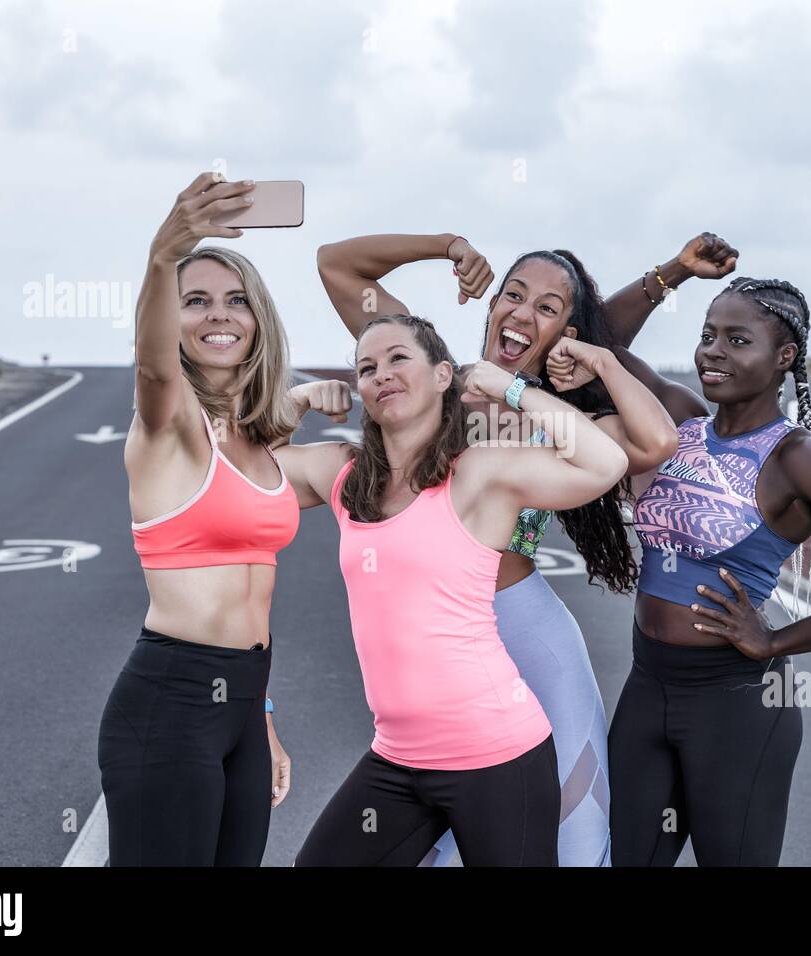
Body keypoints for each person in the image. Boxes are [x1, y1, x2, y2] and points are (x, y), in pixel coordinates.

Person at [314, 234, 679, 865]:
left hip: (525, 625)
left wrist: (601, 362)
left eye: (548, 308)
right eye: (513, 295)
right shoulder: (426, 380)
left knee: (574, 806)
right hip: (435, 637)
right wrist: (445, 247)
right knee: (427, 809)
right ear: (489, 306)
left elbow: (655, 442)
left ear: (566, 331)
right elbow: (336, 265)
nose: (522, 313)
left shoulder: (557, 419)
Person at [605, 271, 811, 866]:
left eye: (737, 340)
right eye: (707, 335)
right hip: (646, 688)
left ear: (785, 357)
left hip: (735, 706)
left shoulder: (799, 460)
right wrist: (671, 271)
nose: (713, 352)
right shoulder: (677, 421)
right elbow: (598, 339)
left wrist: (777, 638)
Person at [98, 172, 348, 865]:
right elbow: (153, 372)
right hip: (168, 704)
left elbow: (255, 602)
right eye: (196, 301)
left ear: (258, 318)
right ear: (169, 318)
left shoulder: (260, 449)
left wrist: (260, 716)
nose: (219, 315)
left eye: (237, 301)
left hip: (242, 703)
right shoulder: (168, 425)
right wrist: (162, 252)